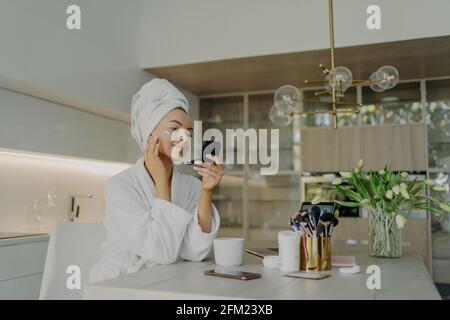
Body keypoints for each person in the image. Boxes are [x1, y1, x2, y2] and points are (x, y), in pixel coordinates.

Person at [90, 79, 223, 283]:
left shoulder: (190, 186)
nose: (184, 138)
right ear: (149, 134)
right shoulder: (119, 187)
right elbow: (161, 252)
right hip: (118, 286)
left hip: (165, 282)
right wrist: (162, 184)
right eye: (174, 129)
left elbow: (195, 252)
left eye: (189, 132)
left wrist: (206, 191)